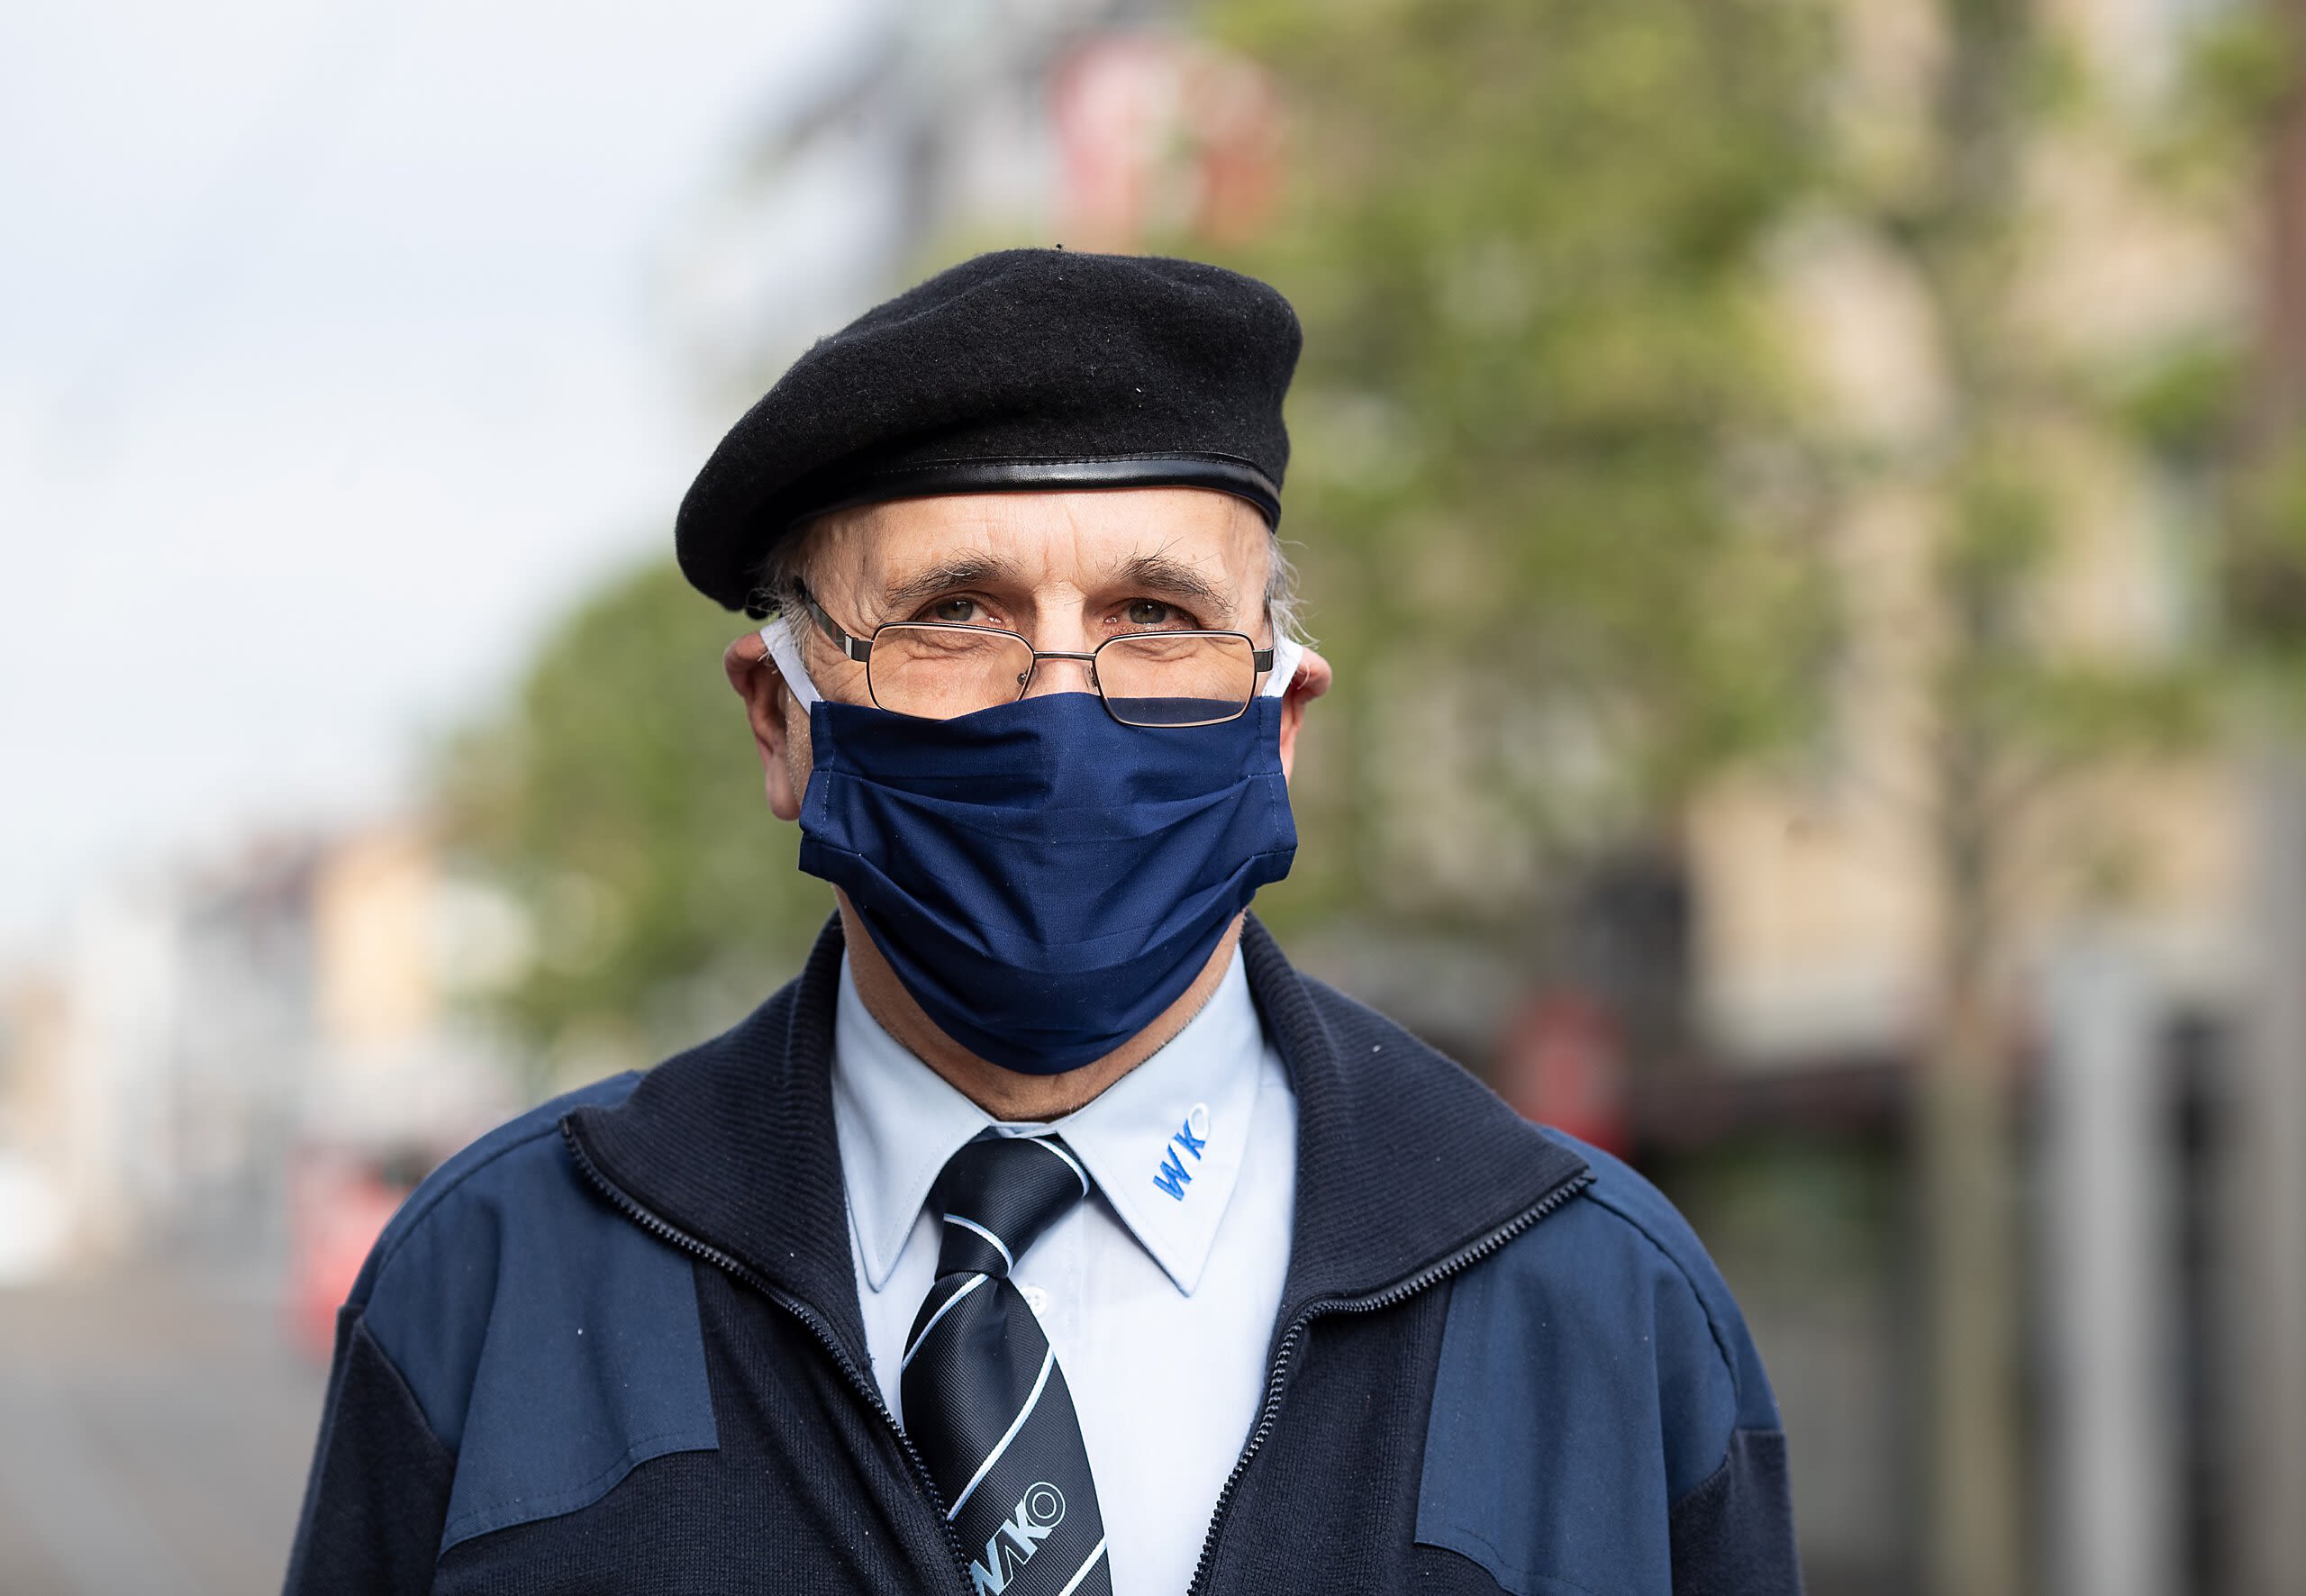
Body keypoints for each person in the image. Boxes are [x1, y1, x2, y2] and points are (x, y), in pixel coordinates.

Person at [285, 249, 1802, 1596]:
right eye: (954, 614)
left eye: (1159, 618)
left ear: (1280, 724)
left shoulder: (1597, 1302)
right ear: (779, 719)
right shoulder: (494, 1283)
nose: (1063, 710)